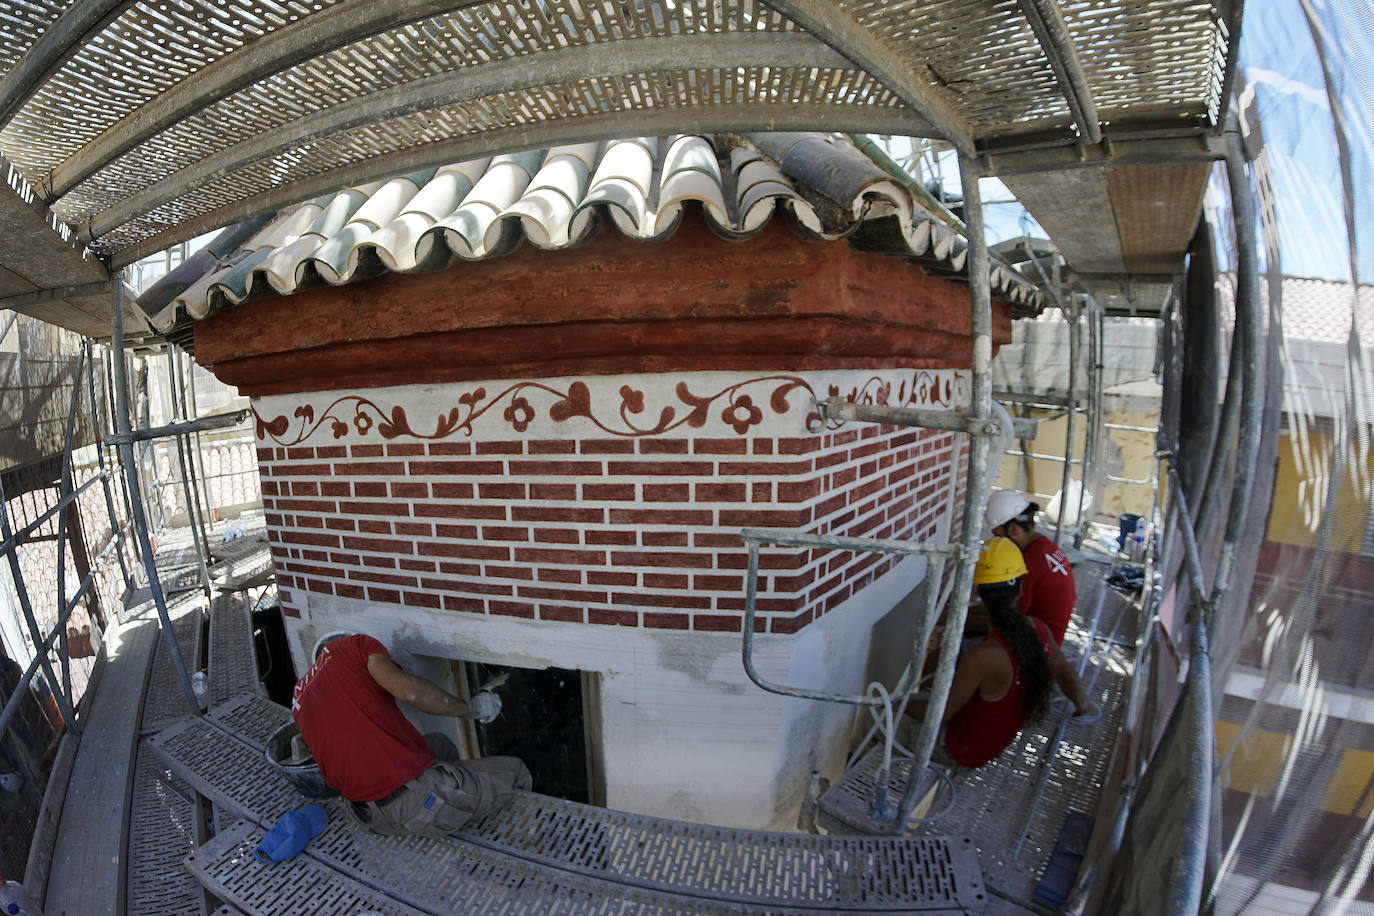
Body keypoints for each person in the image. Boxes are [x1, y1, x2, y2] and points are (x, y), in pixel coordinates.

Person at [291, 632, 532, 838]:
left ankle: (457, 796)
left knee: (440, 744)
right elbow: (411, 692)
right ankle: (522, 839)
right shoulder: (356, 645)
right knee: (514, 771)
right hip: (410, 807)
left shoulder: (300, 697)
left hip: (365, 815)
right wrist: (472, 708)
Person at [912, 538, 1093, 768]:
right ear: (1019, 586)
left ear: (980, 591)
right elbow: (1064, 671)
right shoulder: (1036, 629)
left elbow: (937, 715)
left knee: (874, 718)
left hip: (961, 751)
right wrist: (1083, 706)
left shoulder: (983, 656)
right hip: (993, 742)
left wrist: (893, 703)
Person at [984, 488, 1076, 645]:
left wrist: (959, 617)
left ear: (1013, 529)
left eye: (998, 536)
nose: (998, 542)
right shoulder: (1045, 546)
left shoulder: (1028, 563)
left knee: (968, 652)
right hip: (1048, 637)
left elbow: (1007, 619)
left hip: (1038, 646)